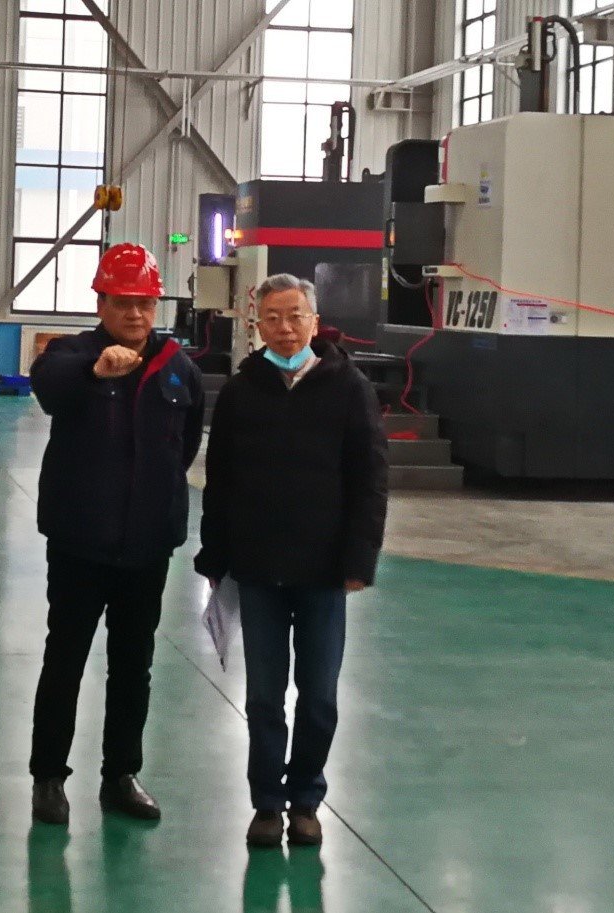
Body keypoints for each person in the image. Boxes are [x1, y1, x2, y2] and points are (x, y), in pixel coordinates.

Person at [194, 273, 388, 848]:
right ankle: (266, 803)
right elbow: (219, 480)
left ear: (314, 320)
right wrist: (215, 554)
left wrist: (359, 559)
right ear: (257, 324)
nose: (285, 328)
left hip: (325, 572)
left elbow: (370, 480)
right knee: (263, 697)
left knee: (320, 694)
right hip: (258, 570)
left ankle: (305, 799)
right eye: (273, 317)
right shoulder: (241, 390)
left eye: (295, 315)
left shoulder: (348, 388)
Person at [27, 243, 206, 825]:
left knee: (134, 664)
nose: (135, 314)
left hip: (146, 546)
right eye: (124, 302)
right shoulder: (72, 355)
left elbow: (186, 445)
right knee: (66, 659)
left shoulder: (177, 366)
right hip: (79, 543)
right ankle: (48, 777)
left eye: (145, 303)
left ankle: (121, 775)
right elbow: (50, 389)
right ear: (101, 303)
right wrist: (96, 371)